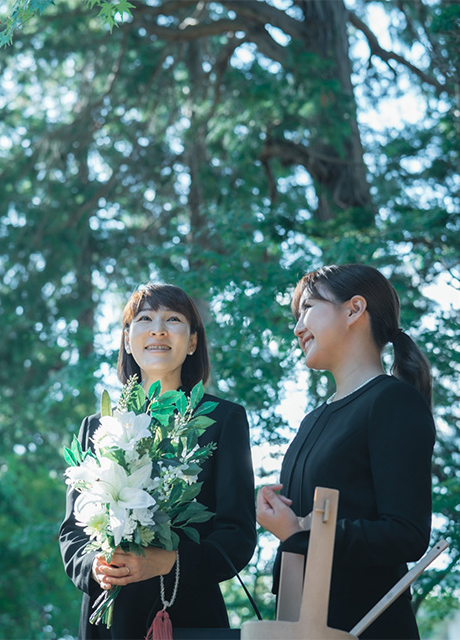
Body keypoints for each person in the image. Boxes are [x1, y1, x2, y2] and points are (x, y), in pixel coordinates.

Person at [59, 283, 257, 639]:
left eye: (174, 319)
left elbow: (238, 536)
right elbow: (73, 533)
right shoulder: (97, 427)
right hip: (109, 620)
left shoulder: (223, 420)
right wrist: (96, 567)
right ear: (126, 338)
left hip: (187, 614)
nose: (158, 330)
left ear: (193, 341)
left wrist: (170, 562)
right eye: (145, 318)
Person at [257, 264, 436, 639]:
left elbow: (407, 533)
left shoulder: (393, 401)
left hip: (366, 626)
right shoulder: (311, 421)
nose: (297, 326)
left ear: (354, 309)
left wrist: (300, 534)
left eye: (307, 308)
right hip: (298, 624)